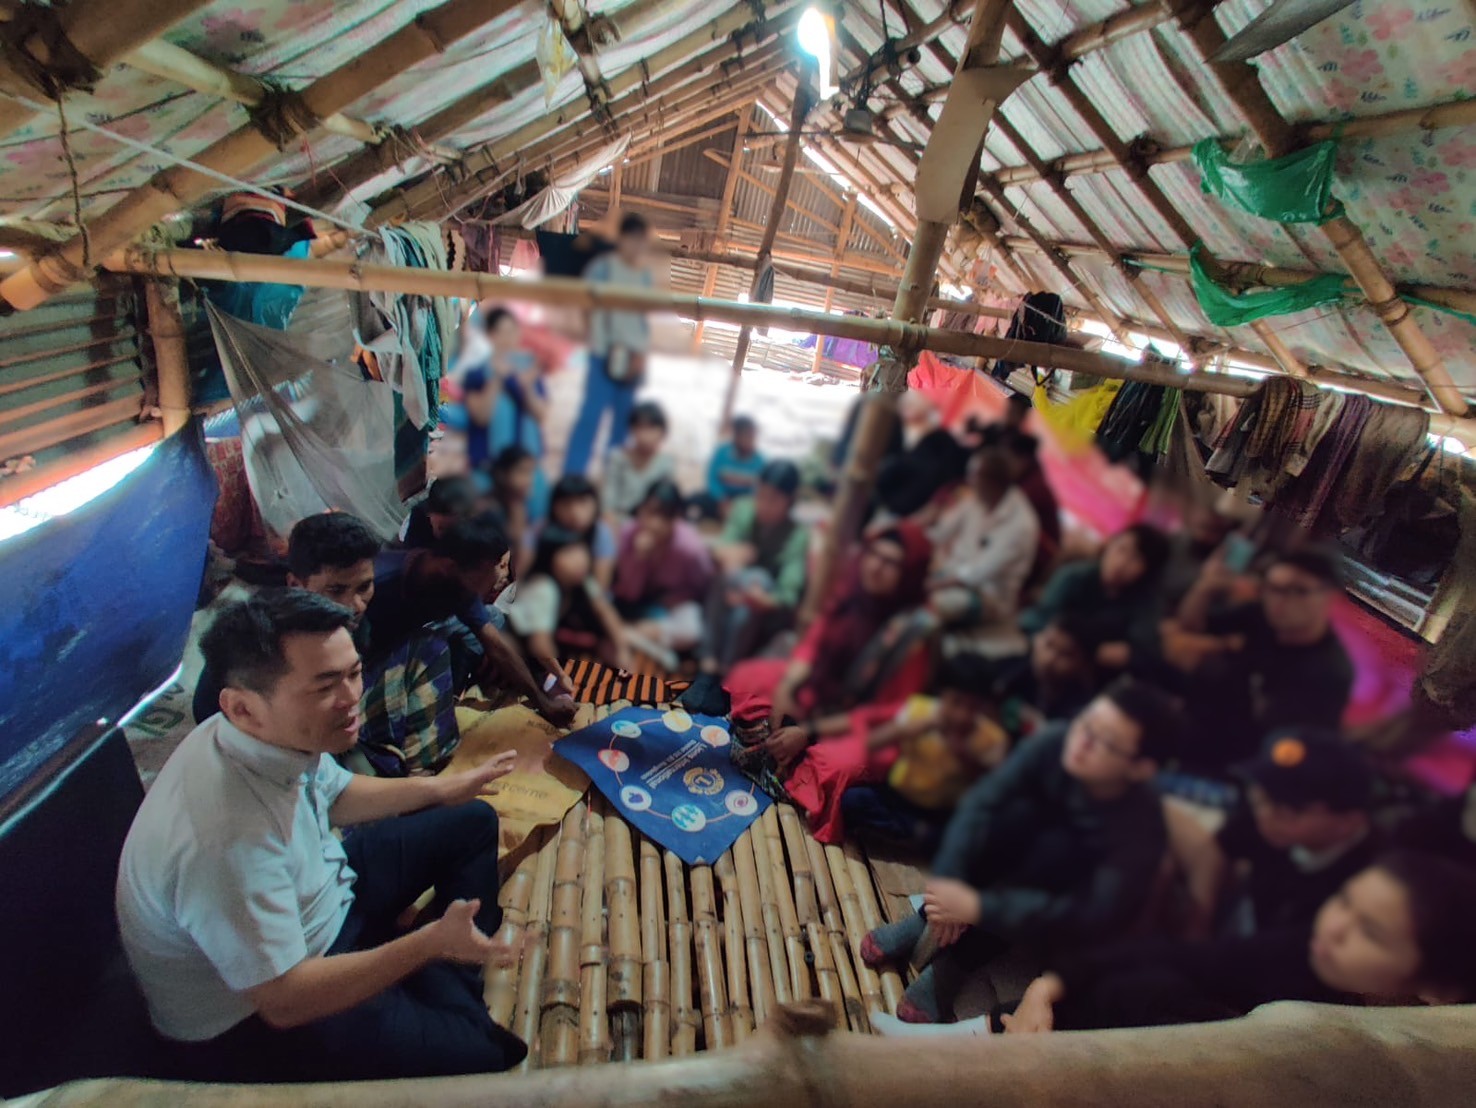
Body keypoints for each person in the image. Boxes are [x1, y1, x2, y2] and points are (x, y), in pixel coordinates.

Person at [117, 591, 528, 1082]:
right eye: (325, 686)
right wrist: (426, 944)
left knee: (472, 820)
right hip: (263, 1015)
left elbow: (336, 793)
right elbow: (285, 1001)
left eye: (354, 673)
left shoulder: (258, 735)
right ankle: (440, 973)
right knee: (487, 1053)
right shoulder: (222, 837)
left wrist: (444, 787)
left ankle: (438, 974)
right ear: (243, 707)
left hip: (326, 896)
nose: (353, 698)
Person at [861, 678, 1184, 1023]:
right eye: (1086, 724)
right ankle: (926, 917)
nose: (1082, 742)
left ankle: (956, 963)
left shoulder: (1139, 833)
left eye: (1105, 742)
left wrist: (977, 908)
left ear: (1140, 768)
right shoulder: (1058, 742)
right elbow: (983, 804)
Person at [1003, 851, 1476, 1034]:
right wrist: (1049, 986)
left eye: (1369, 931)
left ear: (1439, 993)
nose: (1333, 926)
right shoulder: (1304, 952)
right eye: (1343, 903)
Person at [723, 525, 936, 837]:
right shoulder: (853, 595)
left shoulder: (914, 636)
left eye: (890, 563)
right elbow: (813, 646)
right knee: (750, 682)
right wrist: (788, 691)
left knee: (836, 765)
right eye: (874, 555)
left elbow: (883, 712)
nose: (876, 566)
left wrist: (806, 733)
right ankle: (781, 759)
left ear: (909, 574)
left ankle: (779, 760)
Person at [366, 516, 577, 762]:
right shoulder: (376, 583)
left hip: (414, 651)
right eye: (497, 567)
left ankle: (446, 698)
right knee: (433, 645)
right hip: (373, 663)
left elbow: (496, 645)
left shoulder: (455, 585)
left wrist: (543, 703)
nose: (502, 576)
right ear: (451, 567)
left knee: (490, 619)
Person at [1168, 729, 1376, 939]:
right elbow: (1220, 846)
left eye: (1287, 812)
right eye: (1259, 798)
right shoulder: (1269, 816)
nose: (1265, 815)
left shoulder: (1357, 887)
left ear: (1348, 822)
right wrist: (1199, 918)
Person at [1169, 547, 1354, 773]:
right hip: (1192, 738)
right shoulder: (1261, 617)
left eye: (1298, 591)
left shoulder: (1329, 672)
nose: (1281, 601)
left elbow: (1293, 754)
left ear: (1328, 597)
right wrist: (1204, 587)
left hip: (1242, 769)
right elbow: (1192, 625)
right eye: (1273, 589)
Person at [838, 654, 1011, 854]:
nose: (962, 715)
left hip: (941, 813)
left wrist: (963, 753)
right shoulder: (919, 710)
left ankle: (908, 835)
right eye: (956, 702)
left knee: (967, 836)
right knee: (853, 799)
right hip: (899, 798)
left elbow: (995, 786)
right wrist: (909, 729)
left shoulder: (993, 738)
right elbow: (871, 743)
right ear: (941, 694)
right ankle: (912, 836)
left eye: (973, 707)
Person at [925, 447, 1040, 657]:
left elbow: (979, 574)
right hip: (950, 573)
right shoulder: (974, 500)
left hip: (989, 598)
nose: (967, 480)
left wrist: (933, 584)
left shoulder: (1022, 525)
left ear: (991, 482)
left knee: (934, 604)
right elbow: (940, 533)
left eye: (973, 475)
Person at [564, 214, 654, 475]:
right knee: (590, 416)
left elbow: (643, 319)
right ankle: (574, 475)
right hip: (602, 353)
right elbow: (586, 307)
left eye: (641, 242)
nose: (636, 247)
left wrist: (640, 356)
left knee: (623, 423)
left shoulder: (644, 276)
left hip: (633, 356)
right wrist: (596, 339)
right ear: (621, 240)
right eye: (632, 240)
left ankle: (612, 479)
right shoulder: (602, 268)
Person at [699, 460, 809, 674]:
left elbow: (788, 592)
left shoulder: (797, 535)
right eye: (761, 495)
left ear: (790, 501)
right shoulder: (742, 509)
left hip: (763, 612)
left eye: (774, 499)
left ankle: (724, 667)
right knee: (727, 579)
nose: (764, 505)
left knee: (754, 588)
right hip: (731, 588)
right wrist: (730, 560)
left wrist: (761, 599)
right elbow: (723, 547)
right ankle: (710, 659)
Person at [1019, 523, 1171, 672]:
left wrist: (1094, 653)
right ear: (1110, 545)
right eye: (1121, 549)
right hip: (1042, 655)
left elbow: (1146, 653)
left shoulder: (1144, 601)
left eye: (1135, 559)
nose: (1121, 563)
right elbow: (1036, 620)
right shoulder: (1074, 577)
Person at [504, 526, 632, 681]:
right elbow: (540, 645)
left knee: (609, 647)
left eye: (580, 550)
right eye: (568, 553)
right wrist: (561, 677)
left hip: (551, 645)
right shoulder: (543, 588)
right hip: (514, 644)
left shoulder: (583, 581)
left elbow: (605, 611)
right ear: (549, 558)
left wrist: (622, 650)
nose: (579, 560)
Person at [610, 480, 714, 663]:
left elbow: (703, 588)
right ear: (641, 509)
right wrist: (638, 558)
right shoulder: (628, 533)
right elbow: (629, 592)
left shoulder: (690, 548)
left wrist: (675, 599)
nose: (654, 523)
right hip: (630, 601)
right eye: (649, 512)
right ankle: (636, 640)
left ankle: (630, 635)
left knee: (692, 631)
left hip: (667, 607)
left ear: (676, 518)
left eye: (664, 516)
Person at [993, 612, 1101, 740]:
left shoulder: (1079, 714)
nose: (1049, 659)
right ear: (1037, 638)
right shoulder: (1013, 669)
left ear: (1084, 666)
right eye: (1048, 644)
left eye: (1065, 654)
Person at [523, 474, 617, 593]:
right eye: (566, 504)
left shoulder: (600, 533)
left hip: (584, 600)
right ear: (554, 506)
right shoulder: (539, 530)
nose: (575, 512)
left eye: (582, 502)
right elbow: (520, 574)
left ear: (596, 504)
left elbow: (601, 586)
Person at [999, 431, 1060, 581]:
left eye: (1007, 459)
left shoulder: (1031, 491)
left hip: (1037, 557)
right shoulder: (1025, 480)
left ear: (1023, 460)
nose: (1003, 466)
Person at [601, 401, 677, 518]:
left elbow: (664, 502)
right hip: (618, 518)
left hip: (649, 523)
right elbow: (608, 499)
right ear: (631, 430)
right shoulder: (618, 457)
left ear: (662, 432)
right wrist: (610, 519)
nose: (645, 435)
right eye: (640, 427)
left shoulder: (666, 463)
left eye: (651, 428)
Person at [701, 414, 766, 519]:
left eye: (753, 436)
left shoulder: (760, 461)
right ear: (736, 436)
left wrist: (740, 505)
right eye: (747, 436)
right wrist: (721, 499)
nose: (751, 440)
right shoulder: (721, 452)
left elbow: (758, 489)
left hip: (744, 502)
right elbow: (711, 479)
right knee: (696, 501)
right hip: (720, 498)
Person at [399, 474, 477, 550]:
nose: (447, 536)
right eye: (441, 528)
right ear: (428, 514)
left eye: (454, 529)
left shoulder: (476, 528)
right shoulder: (419, 519)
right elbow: (410, 555)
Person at [483, 444, 539, 550]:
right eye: (522, 471)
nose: (529, 480)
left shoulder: (519, 503)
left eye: (530, 472)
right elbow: (513, 541)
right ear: (501, 474)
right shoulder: (488, 510)